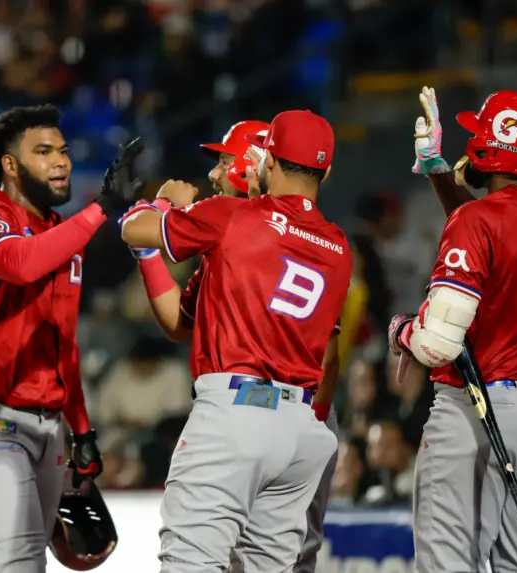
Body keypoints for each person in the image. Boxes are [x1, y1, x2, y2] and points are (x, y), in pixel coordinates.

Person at [121, 109, 351, 572]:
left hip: (236, 413)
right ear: (325, 170)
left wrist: (165, 203)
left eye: (224, 162)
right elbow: (179, 323)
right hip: (300, 428)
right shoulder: (338, 245)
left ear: (264, 161)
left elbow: (133, 228)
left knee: (190, 561)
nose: (213, 172)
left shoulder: (231, 217)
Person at [0, 104, 143, 573]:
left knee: (1, 558)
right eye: (44, 152)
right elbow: (21, 263)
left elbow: (63, 341)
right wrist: (98, 212)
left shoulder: (59, 234)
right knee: (20, 557)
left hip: (48, 426)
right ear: (10, 165)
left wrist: (82, 429)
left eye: (64, 151)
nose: (61, 162)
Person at [389, 88, 517, 572]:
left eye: (479, 134)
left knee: (450, 562)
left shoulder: (479, 220)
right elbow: (499, 222)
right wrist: (436, 170)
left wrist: (400, 332)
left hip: (483, 406)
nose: (470, 142)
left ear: (497, 148)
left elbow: (436, 344)